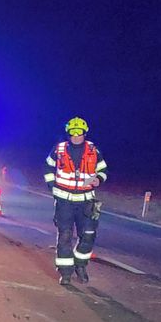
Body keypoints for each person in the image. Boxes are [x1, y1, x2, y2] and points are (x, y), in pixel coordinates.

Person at [44, 118, 108, 285]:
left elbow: (103, 169)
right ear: (68, 133)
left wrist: (99, 179)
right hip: (64, 201)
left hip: (86, 201)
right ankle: (65, 273)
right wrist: (52, 187)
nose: (76, 136)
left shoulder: (93, 150)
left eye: (79, 132)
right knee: (65, 236)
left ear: (85, 133)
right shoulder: (59, 149)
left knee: (88, 236)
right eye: (73, 132)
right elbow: (48, 168)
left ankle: (80, 265)